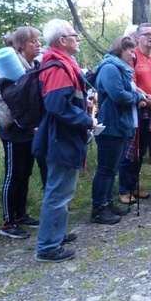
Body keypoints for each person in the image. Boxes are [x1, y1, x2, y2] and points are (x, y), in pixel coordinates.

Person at [33, 19, 95, 263]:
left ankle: (55, 234)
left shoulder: (62, 64)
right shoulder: (57, 67)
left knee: (61, 189)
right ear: (62, 41)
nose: (77, 38)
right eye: (73, 34)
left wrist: (83, 104)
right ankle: (48, 246)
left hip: (64, 135)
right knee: (58, 191)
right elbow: (57, 105)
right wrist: (86, 119)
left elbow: (65, 100)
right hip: (61, 137)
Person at [91, 36, 146, 224]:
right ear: (120, 50)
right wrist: (138, 97)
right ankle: (98, 208)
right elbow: (118, 95)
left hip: (121, 125)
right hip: (110, 126)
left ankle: (107, 202)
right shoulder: (109, 68)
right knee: (106, 169)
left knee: (112, 168)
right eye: (130, 51)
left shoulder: (120, 69)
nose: (133, 54)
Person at [0, 27, 43, 240]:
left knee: (25, 173)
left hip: (30, 129)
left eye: (38, 40)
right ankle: (7, 222)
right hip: (15, 131)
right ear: (21, 45)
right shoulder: (10, 66)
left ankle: (21, 215)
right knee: (13, 175)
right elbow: (13, 101)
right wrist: (27, 125)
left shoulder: (35, 64)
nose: (38, 44)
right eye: (33, 41)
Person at [118, 23, 151, 203]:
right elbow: (131, 83)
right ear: (137, 37)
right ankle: (124, 189)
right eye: (146, 34)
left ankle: (134, 185)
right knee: (130, 150)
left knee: (142, 149)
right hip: (137, 109)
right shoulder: (133, 56)